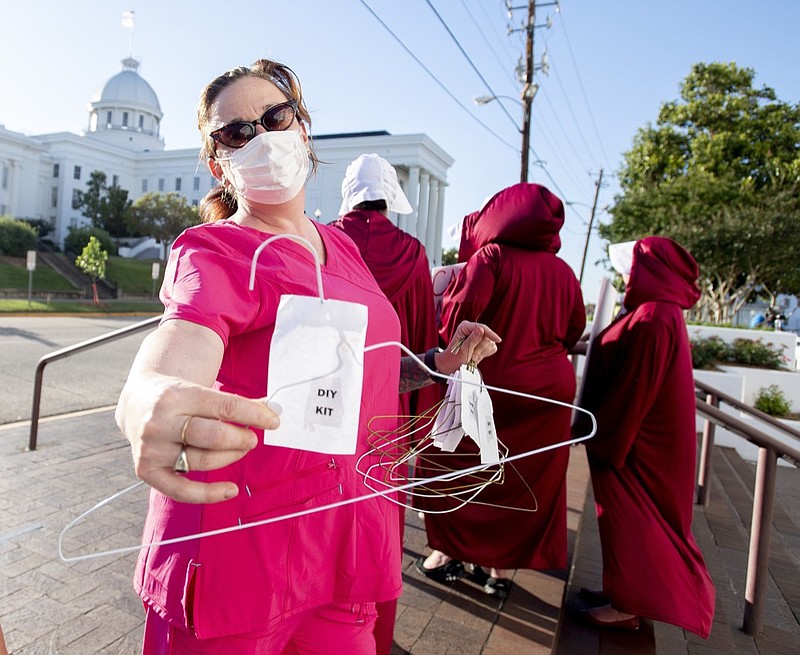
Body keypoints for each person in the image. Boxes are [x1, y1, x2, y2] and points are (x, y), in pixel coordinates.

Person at [114, 58, 501, 655]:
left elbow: (357, 372)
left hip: (342, 545)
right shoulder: (214, 250)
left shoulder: (343, 247)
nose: (263, 138)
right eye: (237, 132)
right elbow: (181, 339)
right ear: (218, 163)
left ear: (302, 129)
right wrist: (148, 398)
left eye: (276, 116)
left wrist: (438, 364)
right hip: (237, 553)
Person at [415, 182, 586, 598]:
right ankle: (499, 571)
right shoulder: (562, 271)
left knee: (456, 466)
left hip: (490, 382)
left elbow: (458, 319)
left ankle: (449, 555)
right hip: (547, 395)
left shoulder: (491, 257)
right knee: (522, 478)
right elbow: (574, 329)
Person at [575, 236, 715, 636]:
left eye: (630, 269)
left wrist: (607, 441)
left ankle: (628, 605)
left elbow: (635, 391)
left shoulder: (654, 316)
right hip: (640, 439)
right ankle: (622, 593)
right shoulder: (654, 311)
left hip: (639, 444)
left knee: (635, 522)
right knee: (626, 522)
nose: (625, 276)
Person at [330, 153, 441, 655]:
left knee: (319, 514)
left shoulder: (323, 240)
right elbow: (420, 341)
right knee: (377, 518)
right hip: (384, 407)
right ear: (390, 197)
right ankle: (370, 633)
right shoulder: (414, 253)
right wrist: (417, 419)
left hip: (325, 401)